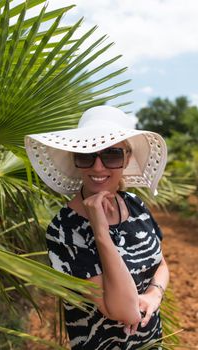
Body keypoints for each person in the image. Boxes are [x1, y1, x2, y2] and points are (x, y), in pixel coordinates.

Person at [25, 106, 170, 350]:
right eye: (86, 155)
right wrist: (101, 232)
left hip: (152, 341)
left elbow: (161, 264)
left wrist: (154, 295)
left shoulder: (135, 205)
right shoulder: (64, 230)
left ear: (127, 158)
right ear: (76, 161)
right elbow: (125, 312)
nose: (98, 167)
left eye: (111, 155)